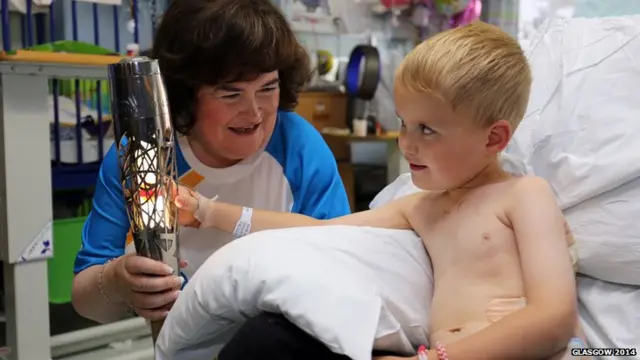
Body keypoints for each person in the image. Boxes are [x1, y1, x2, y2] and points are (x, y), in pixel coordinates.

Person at [175, 22, 586, 359]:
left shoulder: (524, 196)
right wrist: (211, 213)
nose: (406, 143)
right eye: (404, 123)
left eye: (427, 129)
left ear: (494, 139)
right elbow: (314, 230)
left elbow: (555, 319)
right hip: (430, 354)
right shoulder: (423, 208)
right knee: (265, 341)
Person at [71, 0, 351, 325]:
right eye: (230, 94)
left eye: (268, 88)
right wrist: (119, 282)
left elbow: (342, 257)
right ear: (184, 95)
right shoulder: (143, 157)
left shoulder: (299, 146)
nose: (254, 112)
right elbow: (86, 300)